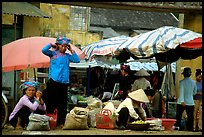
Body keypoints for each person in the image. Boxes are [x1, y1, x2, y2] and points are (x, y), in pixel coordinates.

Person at [41, 36, 80, 127]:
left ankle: (61, 121)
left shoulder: (67, 56)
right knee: (52, 102)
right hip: (54, 81)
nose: (64, 48)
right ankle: (50, 119)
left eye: (66, 46)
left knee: (62, 103)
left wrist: (71, 50)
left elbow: (77, 60)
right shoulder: (53, 54)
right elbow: (43, 50)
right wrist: (51, 44)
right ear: (58, 45)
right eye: (62, 46)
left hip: (64, 83)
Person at [174, 67, 197, 131]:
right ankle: (190, 129)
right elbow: (194, 92)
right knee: (190, 117)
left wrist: (182, 100)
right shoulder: (194, 82)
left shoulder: (182, 82)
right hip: (190, 102)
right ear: (190, 74)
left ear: (183, 74)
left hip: (181, 102)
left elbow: (182, 91)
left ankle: (178, 127)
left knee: (178, 116)